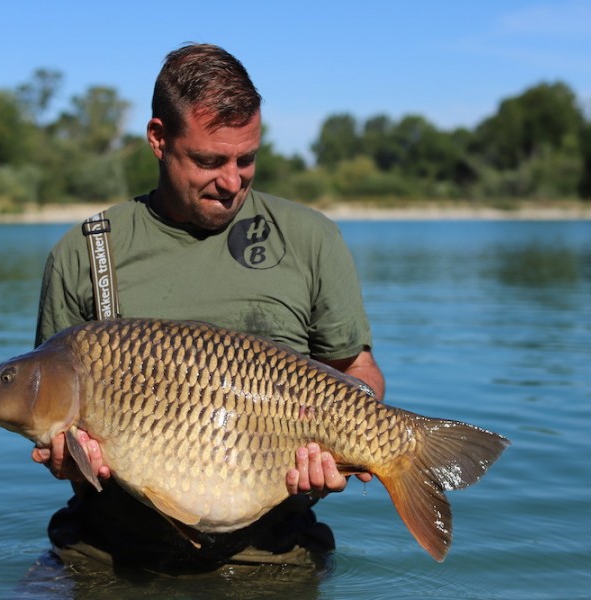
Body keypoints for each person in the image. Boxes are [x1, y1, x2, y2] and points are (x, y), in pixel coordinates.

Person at [30, 43, 385, 574]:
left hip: (273, 557)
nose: (232, 181)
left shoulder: (311, 239)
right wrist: (69, 464)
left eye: (247, 159)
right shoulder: (85, 252)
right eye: (208, 161)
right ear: (158, 138)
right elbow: (53, 413)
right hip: (110, 557)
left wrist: (345, 448)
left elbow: (358, 372)